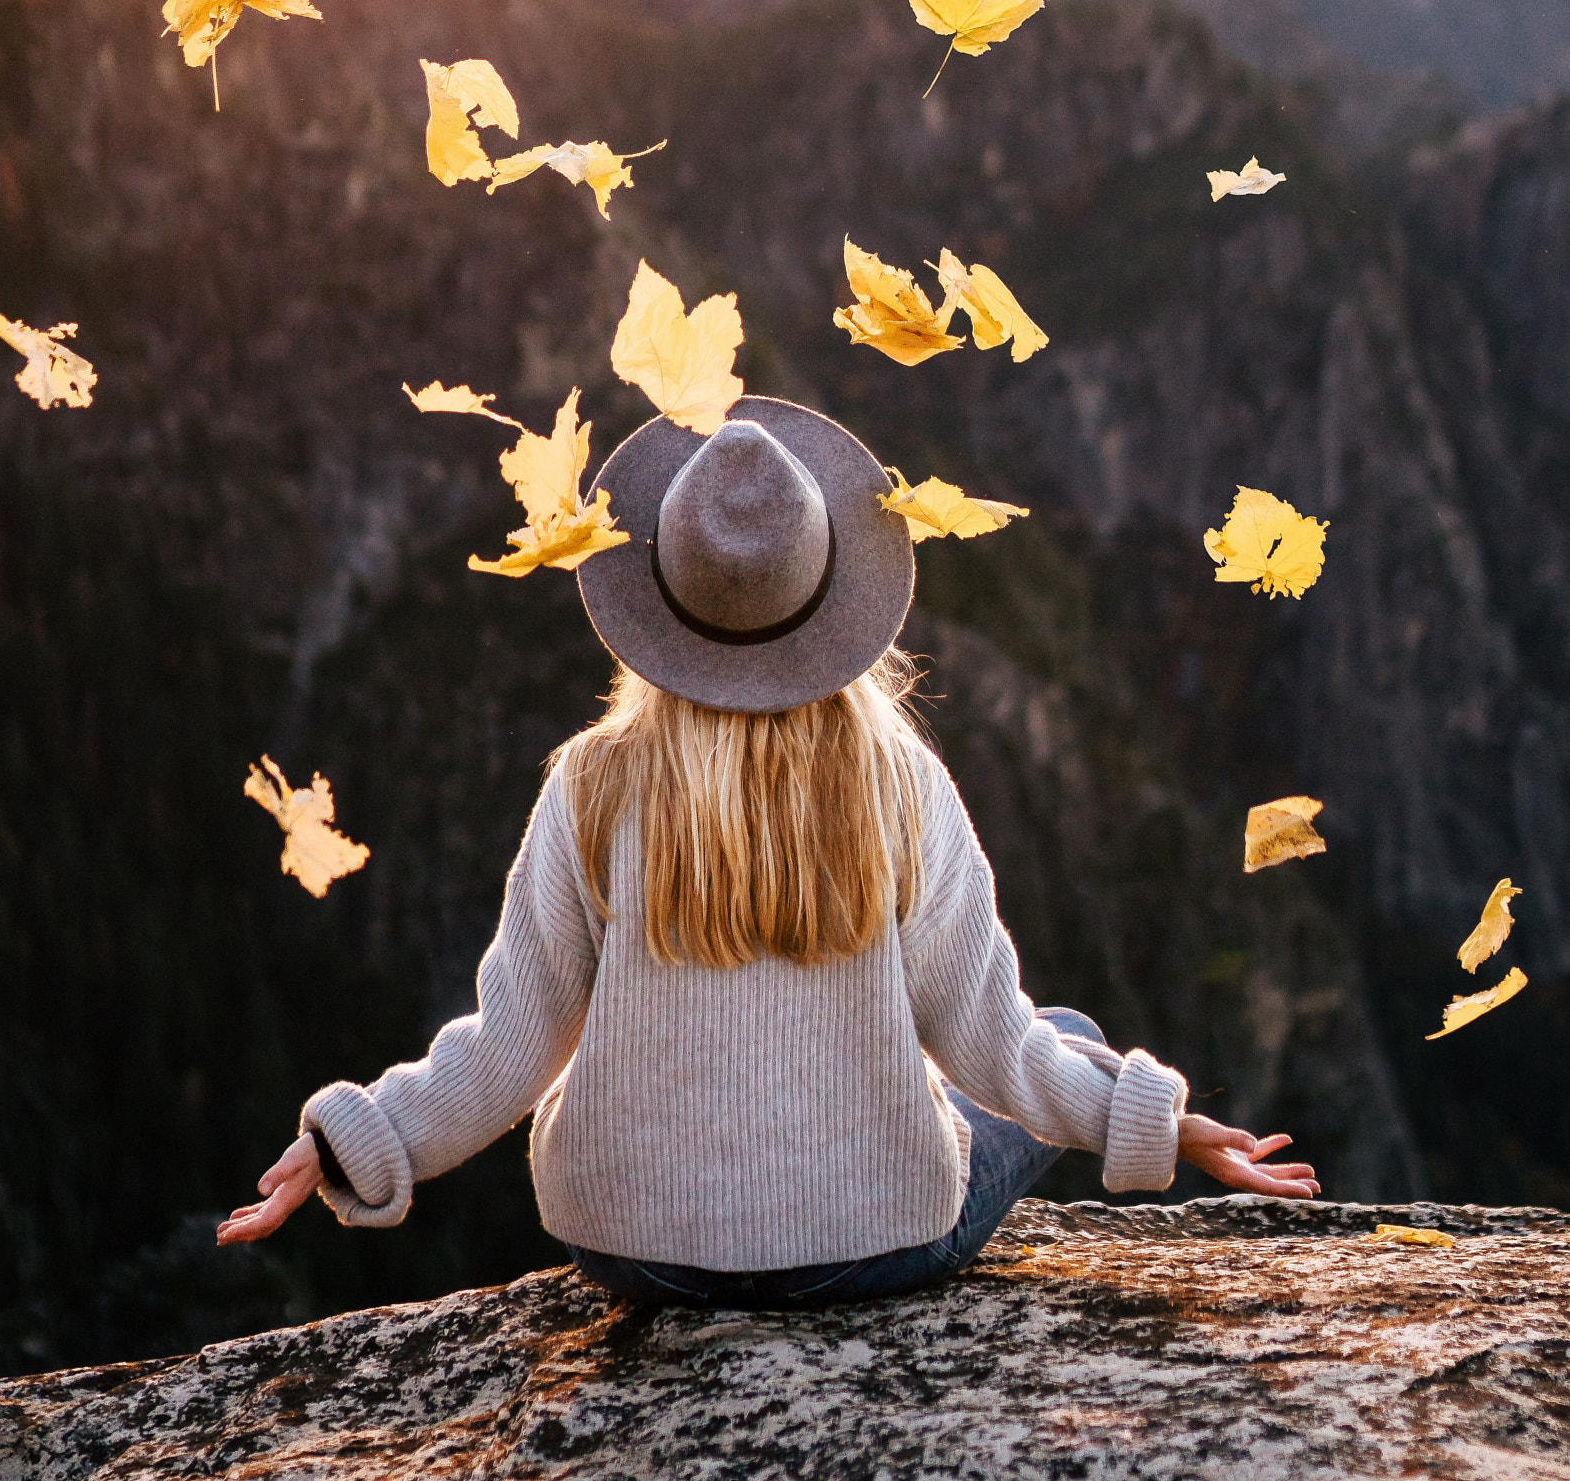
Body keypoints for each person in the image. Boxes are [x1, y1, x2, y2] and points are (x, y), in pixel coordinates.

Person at [219, 399, 1319, 1307]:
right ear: (831, 597)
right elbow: (992, 1042)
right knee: (1068, 1033)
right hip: (866, 1247)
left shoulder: (590, 787)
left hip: (633, 1250)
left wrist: (358, 1134)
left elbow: (513, 1040)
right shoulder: (900, 787)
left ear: (659, 600)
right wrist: (1160, 1124)